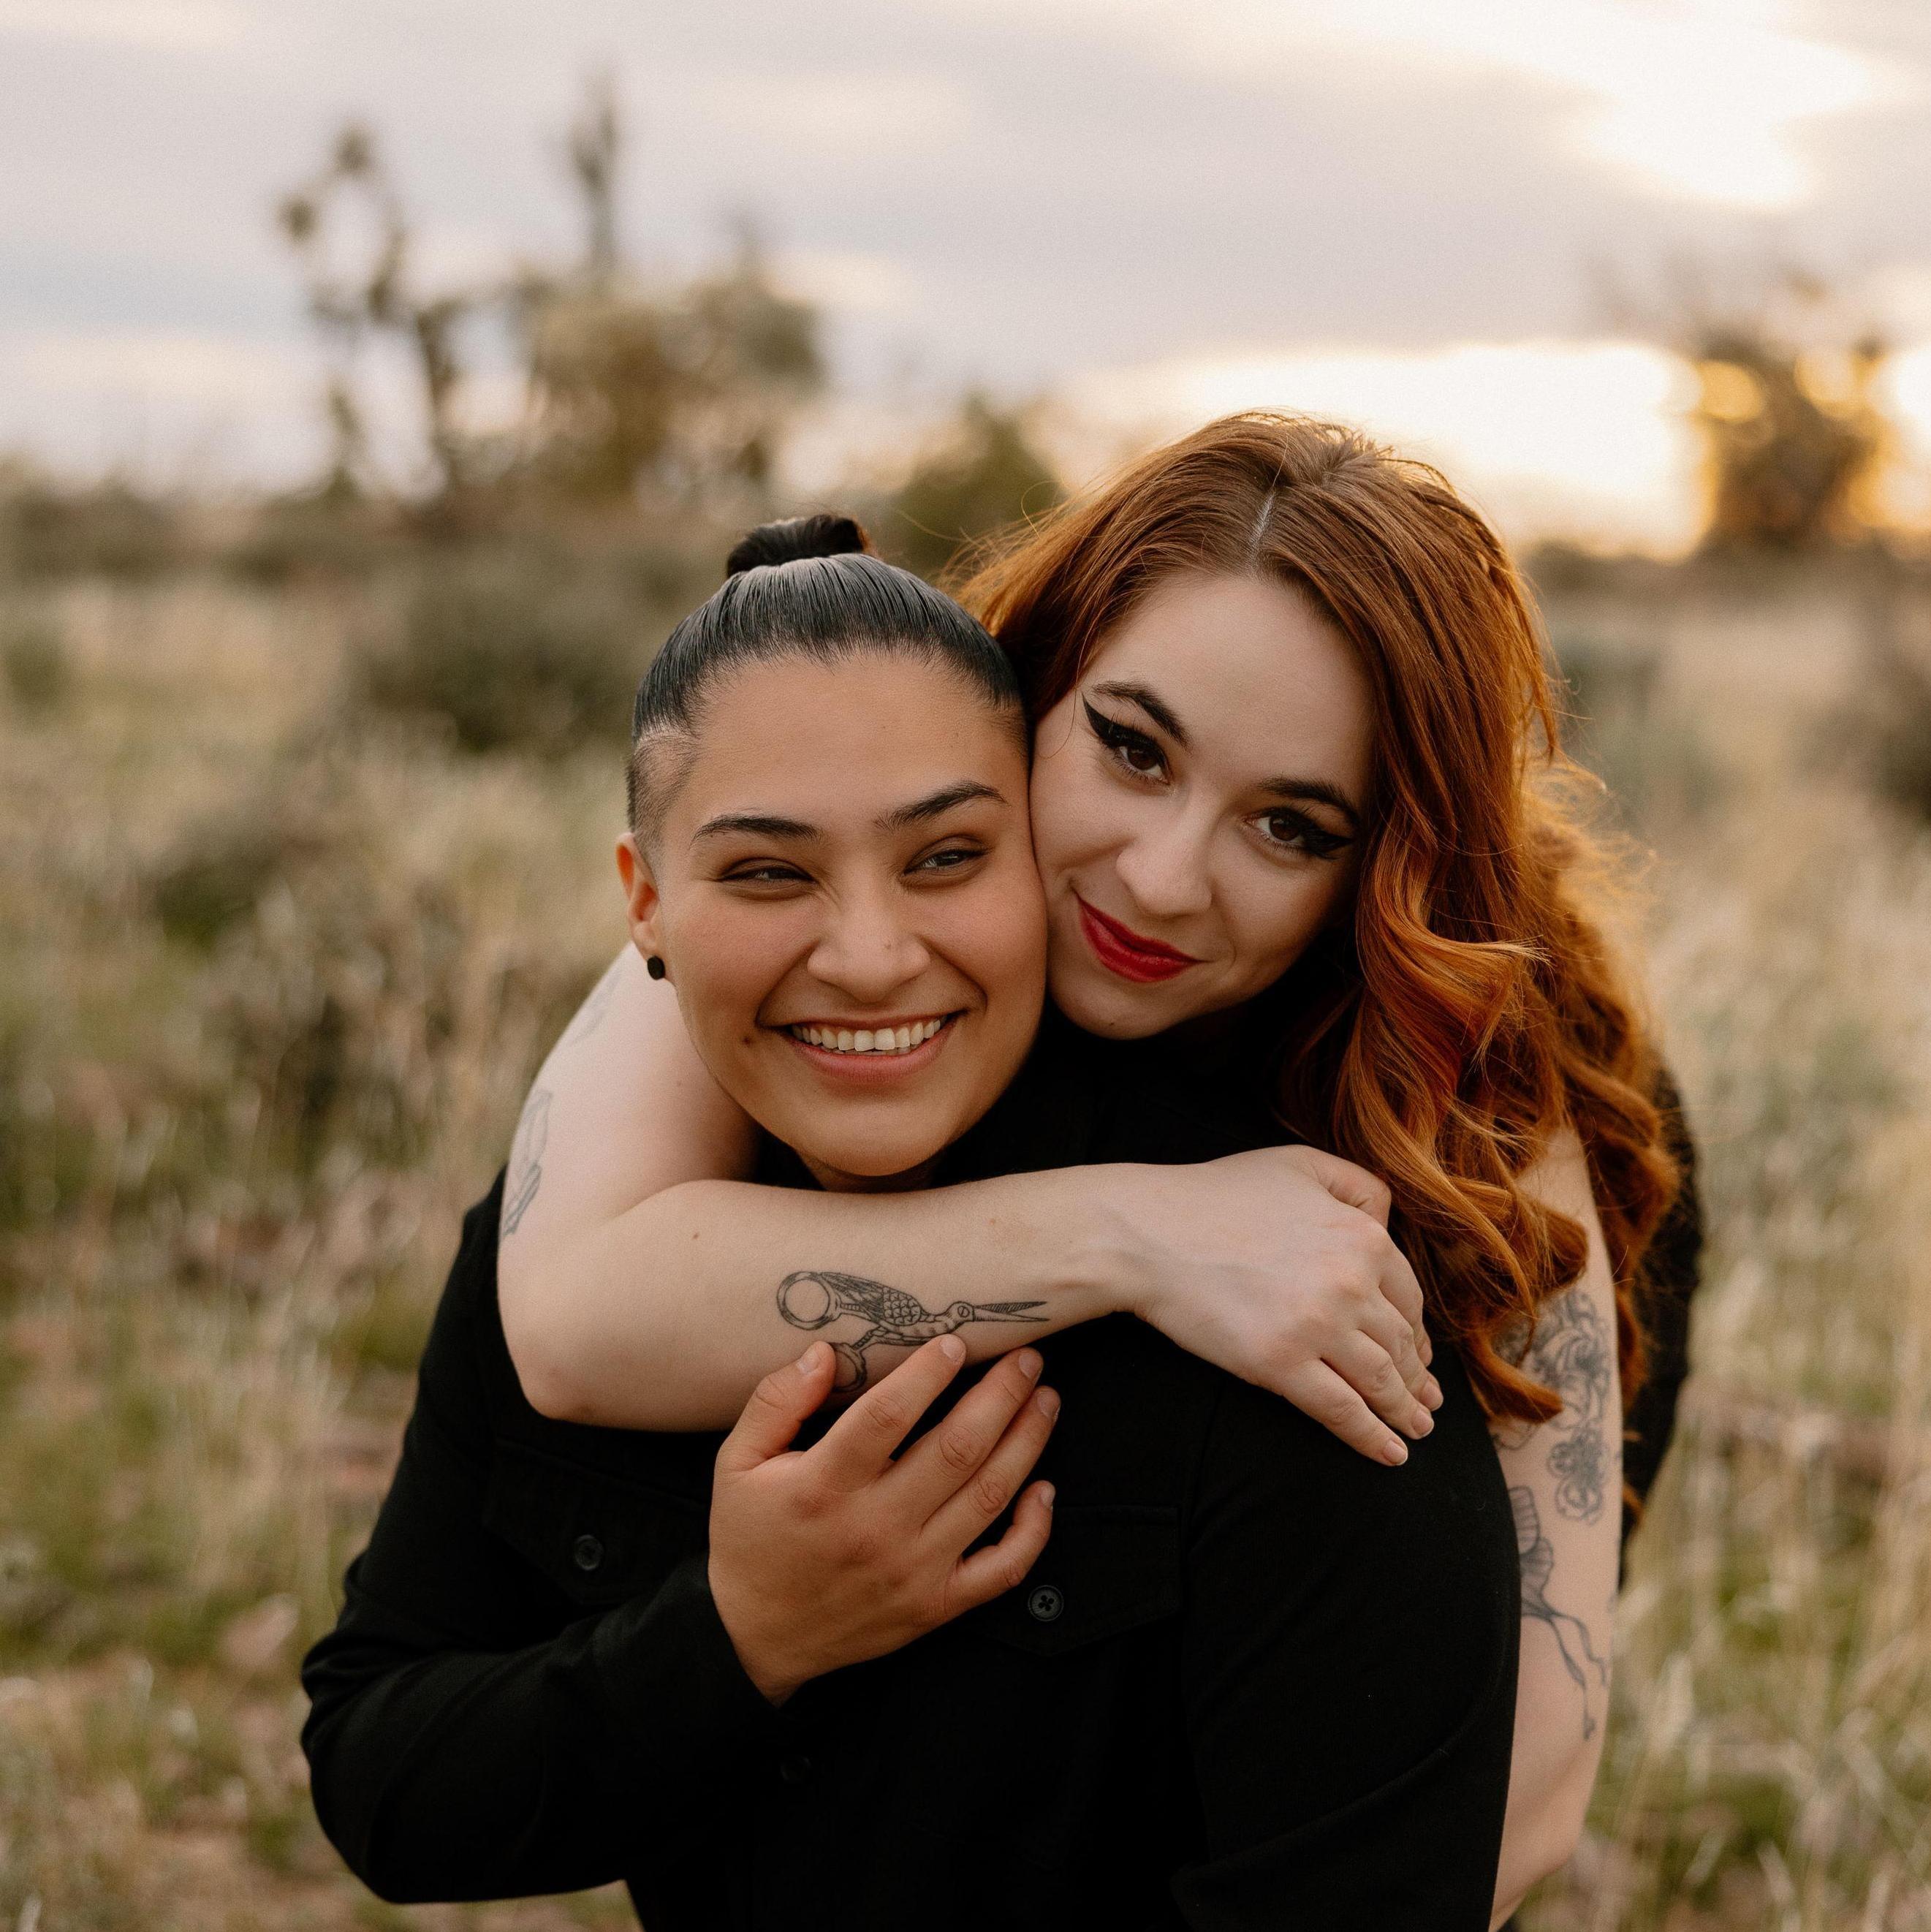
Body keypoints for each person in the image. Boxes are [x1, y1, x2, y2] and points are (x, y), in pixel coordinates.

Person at [490, 420, 1699, 1908]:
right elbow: (573, 1316)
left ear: (1373, 869)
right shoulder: (839, 892)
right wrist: (1135, 1232)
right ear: (1028, 687)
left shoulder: (1482, 1083)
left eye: (1290, 822)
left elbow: (1514, 1806)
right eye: (1131, 747)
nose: (1160, 875)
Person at [302, 510, 1532, 1928]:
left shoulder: (1294, 1313)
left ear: (1020, 840)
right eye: (768, 870)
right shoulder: (582, 1226)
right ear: (642, 903)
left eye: (945, 855)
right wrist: (740, 1634)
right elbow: (383, 1779)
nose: (872, 957)